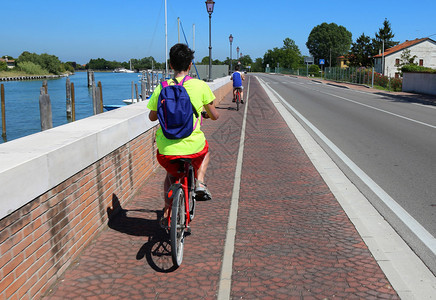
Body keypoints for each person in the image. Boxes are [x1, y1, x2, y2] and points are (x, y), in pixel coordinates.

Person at [147, 43, 220, 224]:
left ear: (171, 65)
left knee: (170, 176)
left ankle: (167, 211)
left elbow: (151, 117)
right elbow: (215, 115)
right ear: (189, 65)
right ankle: (200, 182)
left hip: (167, 149)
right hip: (193, 147)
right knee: (206, 152)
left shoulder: (161, 87)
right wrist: (205, 114)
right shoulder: (200, 86)